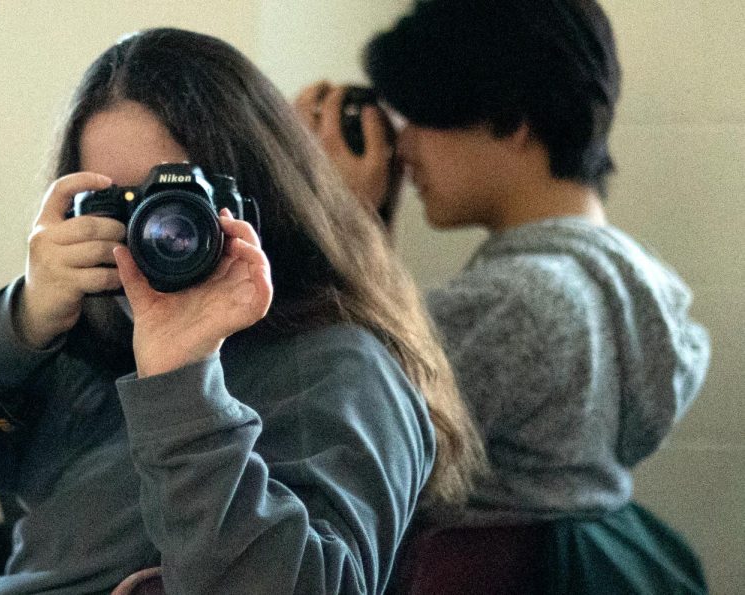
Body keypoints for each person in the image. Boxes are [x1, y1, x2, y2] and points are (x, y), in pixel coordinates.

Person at [0, 27, 484, 594]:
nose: (150, 231)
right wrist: (19, 322)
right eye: (115, 200)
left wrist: (180, 382)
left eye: (176, 195)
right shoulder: (79, 333)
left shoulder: (339, 365)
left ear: (257, 193)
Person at [297, 1, 711, 593]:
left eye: (422, 117)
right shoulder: (633, 287)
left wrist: (328, 215)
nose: (404, 146)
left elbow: (339, 433)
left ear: (511, 121)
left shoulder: (519, 303)